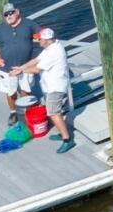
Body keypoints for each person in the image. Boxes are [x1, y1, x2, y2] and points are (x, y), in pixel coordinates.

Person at [29, 25, 77, 155]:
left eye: (40, 39)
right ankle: (63, 133)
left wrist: (20, 71)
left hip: (55, 88)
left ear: (46, 40)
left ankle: (67, 140)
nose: (38, 41)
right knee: (56, 112)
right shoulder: (52, 46)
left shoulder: (54, 52)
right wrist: (21, 67)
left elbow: (37, 69)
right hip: (50, 85)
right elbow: (36, 60)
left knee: (53, 113)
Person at [0, 5, 37, 117]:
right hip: (7, 69)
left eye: (11, 12)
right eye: (6, 14)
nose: (9, 16)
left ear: (17, 12)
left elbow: (42, 35)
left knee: (26, 90)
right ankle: (13, 113)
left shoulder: (29, 24)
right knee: (10, 92)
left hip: (25, 67)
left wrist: (36, 58)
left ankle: (27, 112)